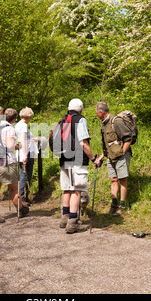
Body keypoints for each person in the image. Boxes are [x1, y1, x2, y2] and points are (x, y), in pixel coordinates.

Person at [58, 98, 100, 234]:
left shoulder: (63, 120)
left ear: (68, 108)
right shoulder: (80, 120)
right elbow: (83, 143)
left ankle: (65, 218)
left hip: (64, 159)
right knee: (77, 189)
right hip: (77, 160)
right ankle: (73, 222)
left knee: (67, 189)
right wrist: (93, 158)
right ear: (81, 109)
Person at [0, 108, 29, 224]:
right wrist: (17, 146)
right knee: (14, 188)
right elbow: (9, 146)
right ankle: (21, 210)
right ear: (14, 119)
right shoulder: (9, 128)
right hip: (6, 163)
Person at [95, 102, 133, 217]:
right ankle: (114, 205)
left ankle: (122, 206)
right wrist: (103, 155)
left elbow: (128, 138)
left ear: (101, 112)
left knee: (122, 179)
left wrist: (122, 153)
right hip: (111, 156)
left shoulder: (116, 121)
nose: (96, 114)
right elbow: (109, 142)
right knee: (113, 179)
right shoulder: (105, 123)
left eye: (96, 112)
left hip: (121, 155)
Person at [15, 107, 37, 204]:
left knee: (23, 176)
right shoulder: (24, 125)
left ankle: (24, 197)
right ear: (28, 116)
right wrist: (25, 155)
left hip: (21, 152)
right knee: (25, 176)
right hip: (25, 153)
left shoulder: (17, 125)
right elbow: (22, 140)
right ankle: (23, 198)